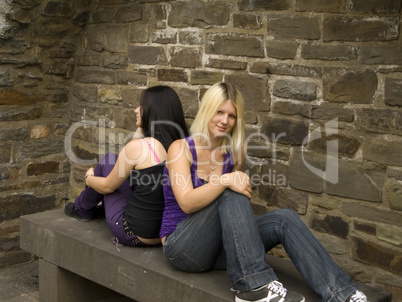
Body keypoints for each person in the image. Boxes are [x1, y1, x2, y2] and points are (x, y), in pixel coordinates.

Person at [159, 82, 369, 302]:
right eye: (219, 112)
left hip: (218, 249)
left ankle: (342, 293)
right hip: (182, 248)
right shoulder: (181, 148)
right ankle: (253, 287)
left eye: (231, 116)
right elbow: (187, 203)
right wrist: (225, 180)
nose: (224, 121)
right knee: (230, 188)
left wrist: (229, 180)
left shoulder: (235, 152)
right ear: (207, 111)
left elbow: (231, 210)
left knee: (283, 219)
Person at [64, 85, 189, 248]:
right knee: (121, 167)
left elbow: (108, 186)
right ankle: (90, 207)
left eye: (142, 106)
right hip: (164, 234)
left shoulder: (142, 147)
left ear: (153, 111)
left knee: (109, 160)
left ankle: (81, 208)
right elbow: (127, 162)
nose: (135, 110)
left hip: (133, 234)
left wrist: (89, 178)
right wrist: (145, 124)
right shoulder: (184, 144)